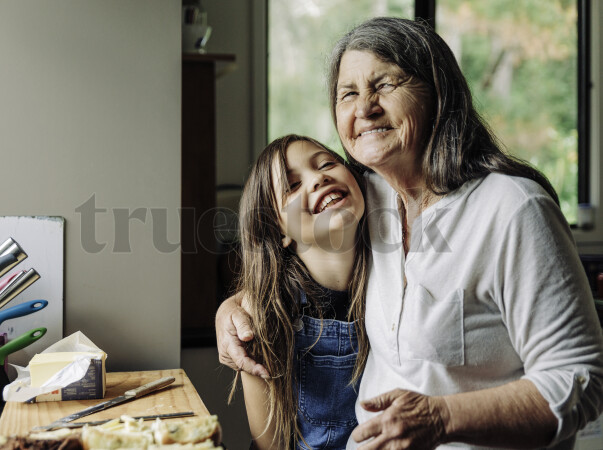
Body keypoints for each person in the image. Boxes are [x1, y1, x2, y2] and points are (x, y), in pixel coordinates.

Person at [216, 17, 603, 449]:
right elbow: (288, 236)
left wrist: (443, 418)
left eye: (383, 84)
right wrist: (234, 309)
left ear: (438, 92)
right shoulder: (370, 198)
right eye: (348, 94)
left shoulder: (512, 208)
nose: (364, 108)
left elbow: (581, 381)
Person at [234, 134, 370, 449]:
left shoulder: (393, 281)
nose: (319, 177)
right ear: (278, 230)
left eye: (327, 164)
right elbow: (270, 443)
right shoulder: (265, 310)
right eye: (293, 185)